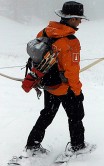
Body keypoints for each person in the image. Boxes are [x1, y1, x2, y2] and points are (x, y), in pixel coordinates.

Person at [25, 1, 93, 155]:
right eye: (78, 18)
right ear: (71, 19)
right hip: (65, 88)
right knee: (76, 117)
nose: (80, 22)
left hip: (48, 84)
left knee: (47, 114)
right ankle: (78, 146)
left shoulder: (43, 32)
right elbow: (72, 71)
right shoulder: (70, 42)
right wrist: (77, 91)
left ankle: (32, 144)